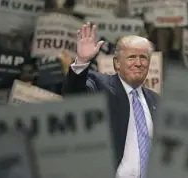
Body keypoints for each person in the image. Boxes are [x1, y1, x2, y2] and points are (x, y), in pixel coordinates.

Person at [62, 22, 159, 178]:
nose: (138, 63)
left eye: (143, 57)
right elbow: (73, 96)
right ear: (117, 63)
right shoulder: (100, 85)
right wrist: (81, 61)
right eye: (132, 57)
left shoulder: (156, 101)